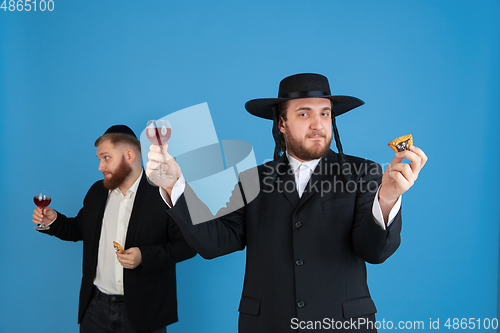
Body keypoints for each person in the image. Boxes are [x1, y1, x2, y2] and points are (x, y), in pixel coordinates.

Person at [146, 73, 427, 332]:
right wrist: (175, 185)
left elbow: (374, 252)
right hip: (268, 324)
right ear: (282, 123)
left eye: (325, 113)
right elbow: (214, 242)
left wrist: (388, 197)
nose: (318, 124)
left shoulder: (364, 173)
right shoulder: (252, 179)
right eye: (304, 113)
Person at [32, 125, 196, 333]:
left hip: (144, 309)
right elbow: (79, 230)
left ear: (129, 155)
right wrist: (54, 221)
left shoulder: (164, 193)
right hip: (95, 308)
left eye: (106, 158)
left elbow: (188, 245)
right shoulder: (97, 192)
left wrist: (143, 256)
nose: (100, 167)